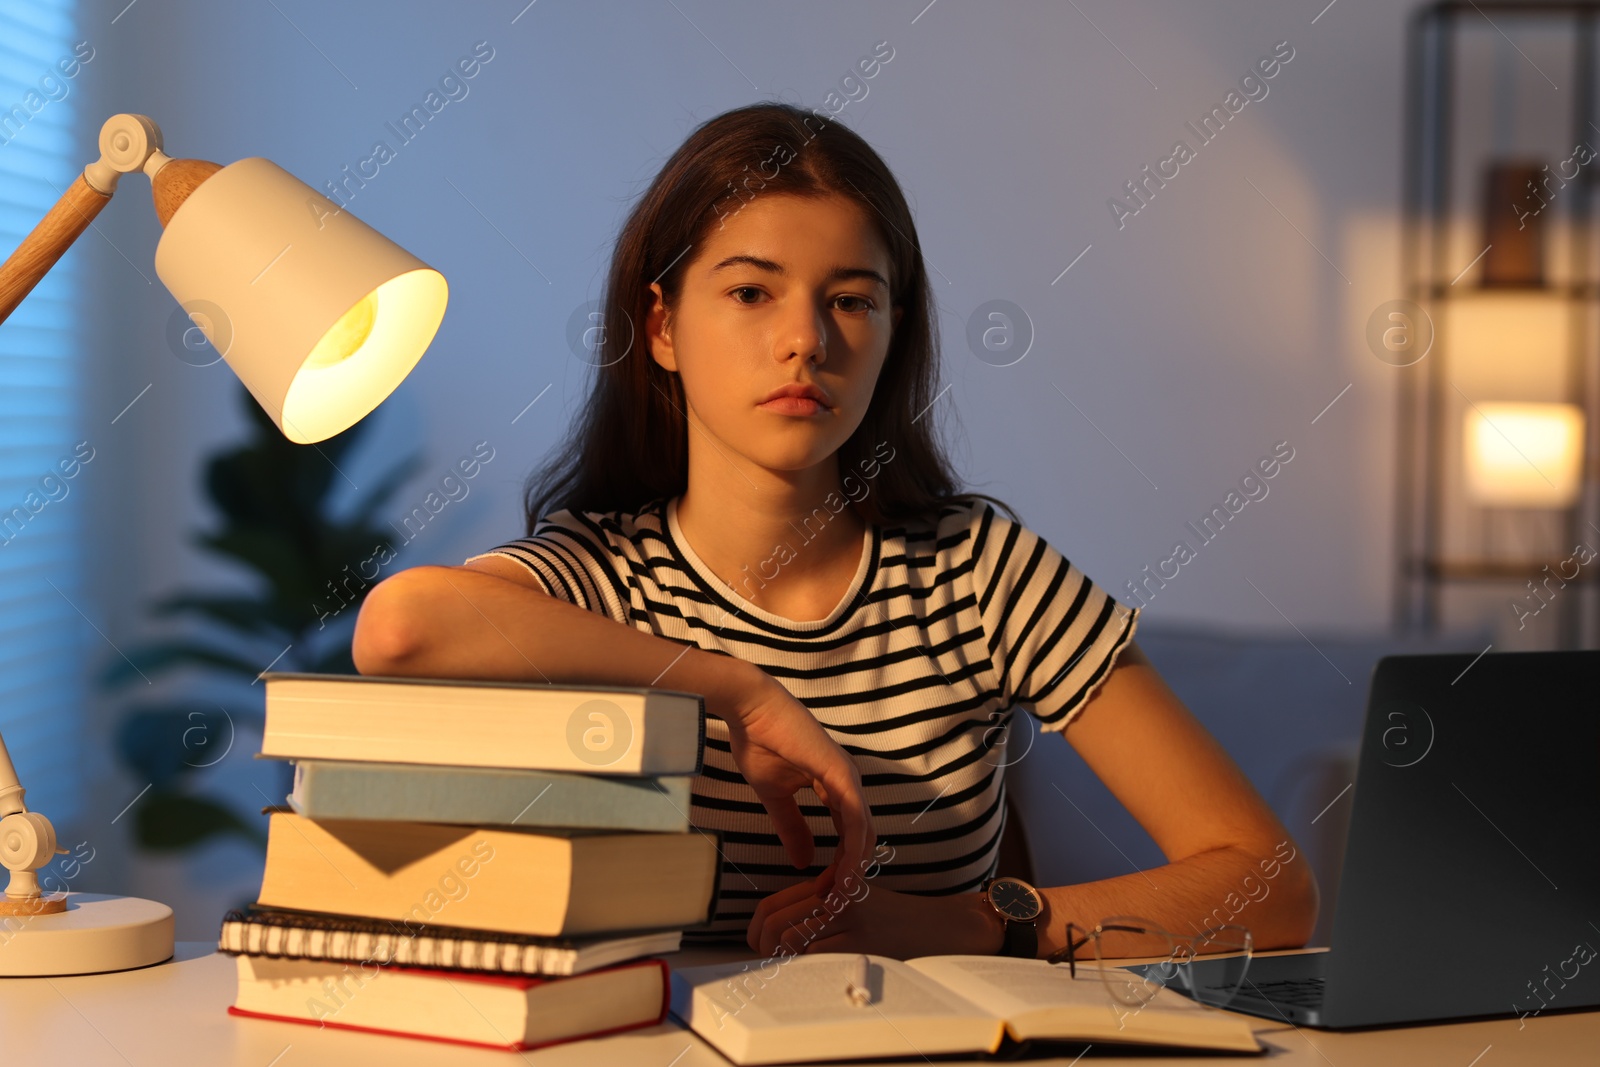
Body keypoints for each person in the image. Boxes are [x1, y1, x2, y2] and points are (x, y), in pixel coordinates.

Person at [352, 101, 1318, 963]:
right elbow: (401, 629)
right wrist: (738, 690)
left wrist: (979, 923)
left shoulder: (979, 570)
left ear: (895, 331)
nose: (808, 338)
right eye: (749, 292)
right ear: (662, 328)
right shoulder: (608, 578)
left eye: (851, 299)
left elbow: (1269, 887)